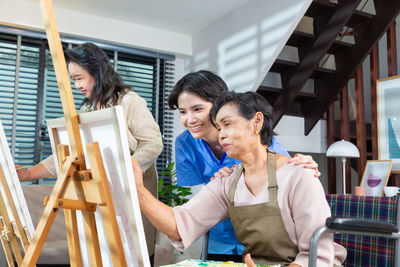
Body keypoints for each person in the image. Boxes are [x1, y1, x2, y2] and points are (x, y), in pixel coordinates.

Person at [133, 91, 346, 266]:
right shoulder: (227, 182)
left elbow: (318, 256)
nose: (221, 135)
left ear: (257, 121)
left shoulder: (298, 174)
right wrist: (138, 190)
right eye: (218, 127)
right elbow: (179, 225)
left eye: (228, 124)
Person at [16, 42, 163, 258]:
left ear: (97, 71)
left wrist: (125, 171)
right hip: (102, 193)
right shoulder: (87, 108)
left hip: (133, 191)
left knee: (134, 255)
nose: (76, 85)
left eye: (79, 78)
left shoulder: (129, 101)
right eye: (73, 79)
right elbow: (70, 153)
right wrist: (28, 173)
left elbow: (152, 143)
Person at [167, 70, 320, 258]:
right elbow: (195, 200)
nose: (189, 119)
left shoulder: (255, 138)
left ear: (219, 104)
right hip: (217, 240)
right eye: (183, 112)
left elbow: (284, 177)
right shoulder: (185, 143)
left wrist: (302, 165)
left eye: (198, 109)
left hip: (265, 242)